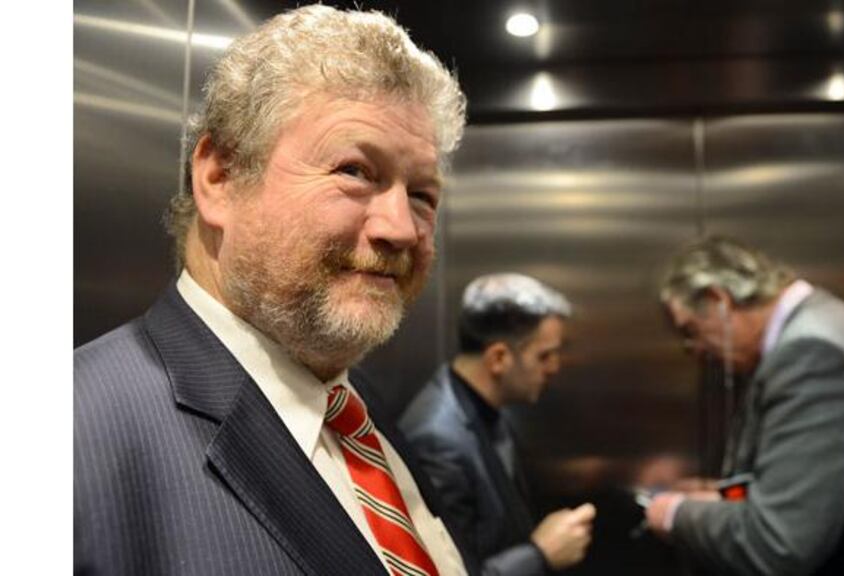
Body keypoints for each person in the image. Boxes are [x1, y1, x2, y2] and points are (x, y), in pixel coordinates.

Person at [74, 6, 471, 575]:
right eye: (355, 171)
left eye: (423, 195)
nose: (401, 228)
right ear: (219, 178)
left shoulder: (363, 417)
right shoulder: (67, 439)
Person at [645, 236, 844, 575]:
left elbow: (779, 543)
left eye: (691, 330)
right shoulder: (824, 327)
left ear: (719, 301)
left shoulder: (812, 354)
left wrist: (674, 513)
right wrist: (722, 497)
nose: (695, 349)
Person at [400, 273, 597, 576]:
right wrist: (540, 555)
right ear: (499, 358)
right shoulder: (436, 440)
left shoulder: (483, 405)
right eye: (545, 356)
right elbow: (447, 570)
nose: (554, 367)